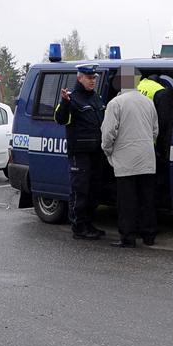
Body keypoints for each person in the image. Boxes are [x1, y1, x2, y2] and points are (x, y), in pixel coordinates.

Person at [103, 68, 159, 247]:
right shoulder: (148, 102)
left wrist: (108, 150)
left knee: (127, 201)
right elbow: (155, 130)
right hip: (147, 159)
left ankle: (128, 238)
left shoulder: (115, 103)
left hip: (125, 160)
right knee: (147, 199)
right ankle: (149, 236)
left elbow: (108, 133)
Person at [55, 65, 107, 240]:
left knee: (94, 191)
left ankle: (88, 223)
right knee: (80, 191)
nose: (92, 81)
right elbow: (60, 119)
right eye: (89, 78)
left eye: (94, 78)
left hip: (96, 152)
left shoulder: (96, 98)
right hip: (80, 154)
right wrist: (64, 103)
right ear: (80, 78)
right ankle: (78, 227)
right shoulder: (72, 99)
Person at [136, 73, 173, 206]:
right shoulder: (161, 92)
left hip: (130, 143)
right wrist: (162, 151)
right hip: (149, 145)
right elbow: (162, 124)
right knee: (149, 185)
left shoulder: (134, 88)